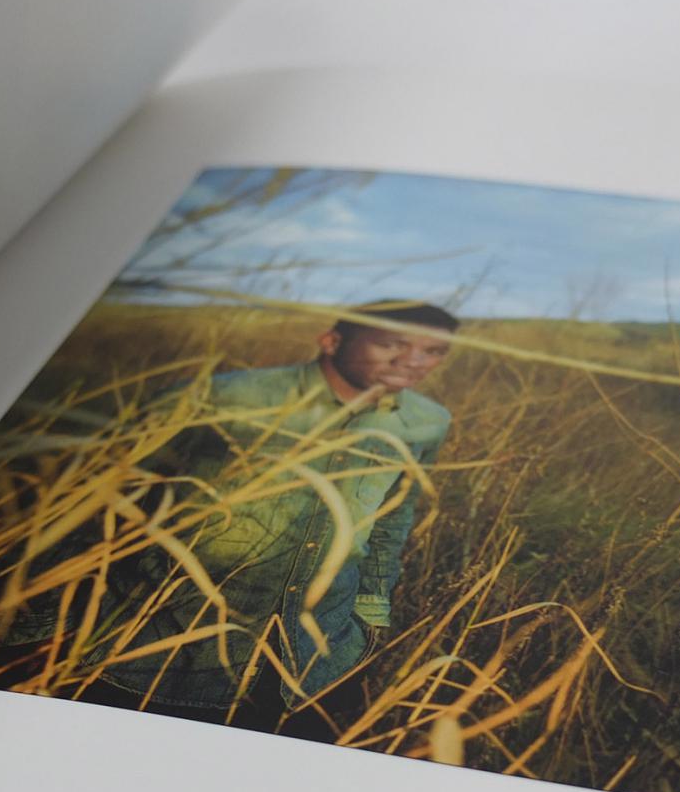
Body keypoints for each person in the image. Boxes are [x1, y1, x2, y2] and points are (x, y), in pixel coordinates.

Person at [62, 299, 458, 737]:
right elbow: (89, 502)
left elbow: (391, 519)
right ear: (332, 341)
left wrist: (371, 615)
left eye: (433, 351)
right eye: (391, 344)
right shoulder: (221, 398)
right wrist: (44, 626)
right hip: (166, 650)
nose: (413, 362)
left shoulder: (427, 421)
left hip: (315, 658)